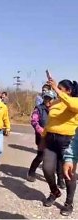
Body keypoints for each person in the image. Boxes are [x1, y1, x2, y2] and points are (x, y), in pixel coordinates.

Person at [41, 78, 78, 216]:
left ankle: (69, 203)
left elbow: (73, 105)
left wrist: (56, 88)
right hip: (51, 140)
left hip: (68, 141)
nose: (57, 92)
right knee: (47, 169)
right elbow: (50, 121)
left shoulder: (75, 101)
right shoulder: (56, 102)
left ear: (68, 91)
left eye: (61, 89)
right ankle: (55, 191)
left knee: (68, 174)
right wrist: (44, 137)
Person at [27, 90, 65, 184]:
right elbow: (34, 121)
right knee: (41, 156)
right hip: (42, 137)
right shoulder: (39, 109)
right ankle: (31, 172)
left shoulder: (58, 109)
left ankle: (60, 179)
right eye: (45, 98)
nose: (47, 100)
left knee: (59, 158)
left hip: (55, 136)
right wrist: (42, 131)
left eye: (50, 98)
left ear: (54, 99)